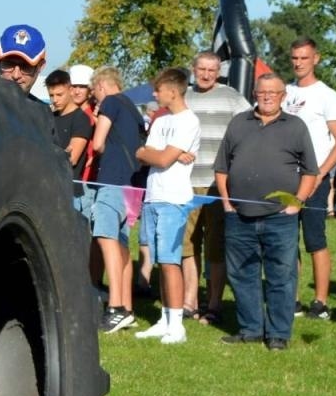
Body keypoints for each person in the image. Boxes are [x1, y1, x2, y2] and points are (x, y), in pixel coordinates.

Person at [214, 73, 318, 351]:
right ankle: (250, 329)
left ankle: (278, 334)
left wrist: (297, 202)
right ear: (255, 94)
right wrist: (226, 202)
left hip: (280, 217)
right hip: (239, 215)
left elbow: (311, 171)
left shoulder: (296, 126)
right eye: (263, 92)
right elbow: (222, 167)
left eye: (274, 92)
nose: (268, 96)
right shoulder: (239, 123)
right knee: (241, 274)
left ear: (283, 96)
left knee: (281, 276)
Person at [182, 50, 250, 325]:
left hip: (217, 184)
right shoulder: (184, 97)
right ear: (194, 69)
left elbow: (249, 127)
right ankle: (189, 300)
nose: (207, 74)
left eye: (212, 70)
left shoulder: (233, 97)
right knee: (186, 245)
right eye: (202, 69)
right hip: (185, 183)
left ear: (219, 71)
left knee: (215, 247)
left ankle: (214, 304)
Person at [282, 38, 336, 320]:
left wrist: (321, 173)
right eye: (295, 58)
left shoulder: (327, 95)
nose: (298, 63)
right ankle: (291, 298)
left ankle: (320, 302)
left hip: (315, 178)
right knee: (285, 239)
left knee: (314, 239)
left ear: (316, 59)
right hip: (286, 177)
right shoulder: (284, 92)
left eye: (304, 58)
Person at [134, 68, 201, 344]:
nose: (154, 93)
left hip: (174, 200)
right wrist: (157, 154)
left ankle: (177, 326)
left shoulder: (189, 122)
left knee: (170, 261)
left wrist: (157, 155)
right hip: (152, 196)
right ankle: (164, 318)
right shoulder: (160, 122)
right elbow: (142, 154)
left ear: (173, 91)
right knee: (159, 260)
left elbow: (160, 159)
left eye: (158, 89)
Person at [88, 66, 147, 333]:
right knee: (122, 244)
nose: (94, 100)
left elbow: (98, 143)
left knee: (105, 237)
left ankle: (114, 307)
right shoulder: (134, 108)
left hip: (111, 180)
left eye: (94, 94)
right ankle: (127, 307)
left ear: (101, 86)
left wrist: (100, 122)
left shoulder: (110, 102)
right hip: (133, 185)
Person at [44, 69, 93, 174]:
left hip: (69, 186)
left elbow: (71, 159)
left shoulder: (81, 119)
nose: (55, 100)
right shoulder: (48, 117)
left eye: (59, 94)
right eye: (51, 95)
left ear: (70, 90)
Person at [0, 24, 47, 100]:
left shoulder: (43, 111)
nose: (16, 76)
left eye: (25, 66)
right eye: (9, 64)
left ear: (41, 66)